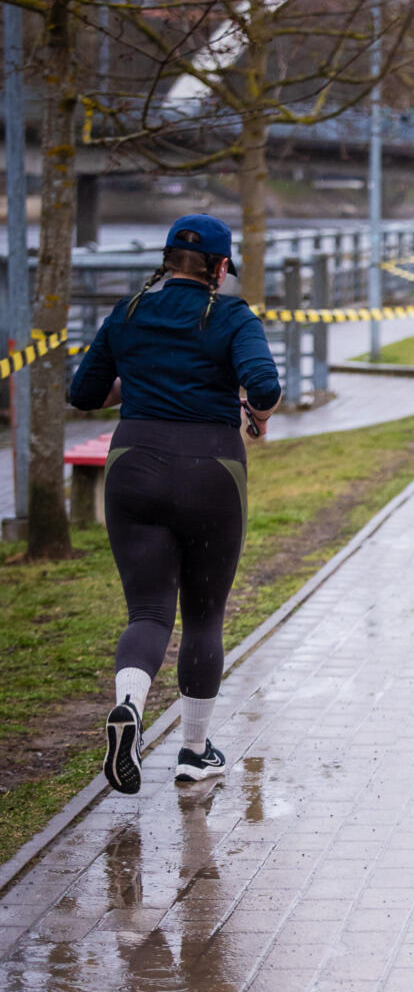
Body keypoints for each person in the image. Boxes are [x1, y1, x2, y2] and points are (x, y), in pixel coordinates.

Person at [68, 214, 281, 795]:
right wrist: (257, 416)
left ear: (166, 260)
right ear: (220, 266)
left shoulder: (127, 312)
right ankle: (193, 751)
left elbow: (83, 393)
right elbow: (264, 386)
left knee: (148, 612)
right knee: (204, 617)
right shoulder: (232, 316)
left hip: (133, 466)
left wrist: (141, 381)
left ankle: (130, 708)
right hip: (211, 472)